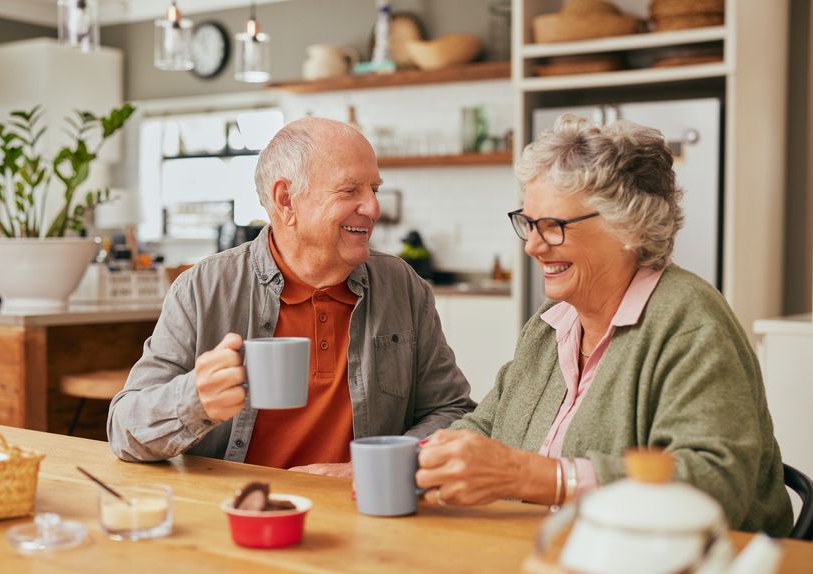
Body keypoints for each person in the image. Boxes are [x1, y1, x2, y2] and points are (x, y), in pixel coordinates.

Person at [415, 114, 792, 535]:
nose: (534, 246)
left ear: (628, 227)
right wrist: (409, 462)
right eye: (528, 224)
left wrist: (535, 476)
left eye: (553, 226)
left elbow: (713, 483)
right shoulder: (550, 324)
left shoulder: (690, 322)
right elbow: (487, 427)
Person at [108, 117, 475, 477]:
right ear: (286, 200)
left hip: (362, 511)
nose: (373, 208)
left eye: (374, 189)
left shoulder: (401, 286)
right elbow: (124, 431)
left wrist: (375, 467)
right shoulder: (203, 288)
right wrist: (194, 400)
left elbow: (453, 411)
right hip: (236, 514)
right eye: (350, 190)